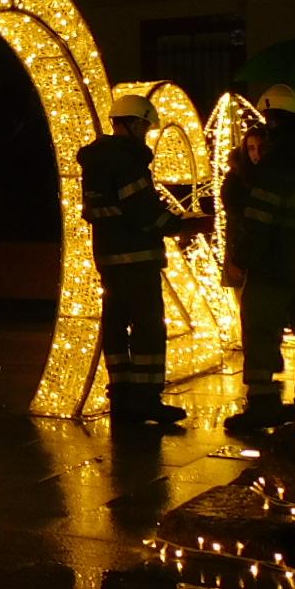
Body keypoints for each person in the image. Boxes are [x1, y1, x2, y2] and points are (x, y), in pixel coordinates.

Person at [224, 85, 295, 434]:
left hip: (273, 265)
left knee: (260, 331)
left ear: (274, 118)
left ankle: (263, 404)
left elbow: (261, 218)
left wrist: (241, 258)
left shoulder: (278, 162)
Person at [79, 94, 191, 428]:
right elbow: (143, 212)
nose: (145, 132)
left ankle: (122, 395)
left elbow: (100, 211)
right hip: (138, 258)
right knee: (148, 327)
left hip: (108, 258)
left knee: (115, 324)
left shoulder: (97, 160)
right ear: (134, 123)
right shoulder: (127, 160)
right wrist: (176, 224)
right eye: (144, 125)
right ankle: (147, 399)